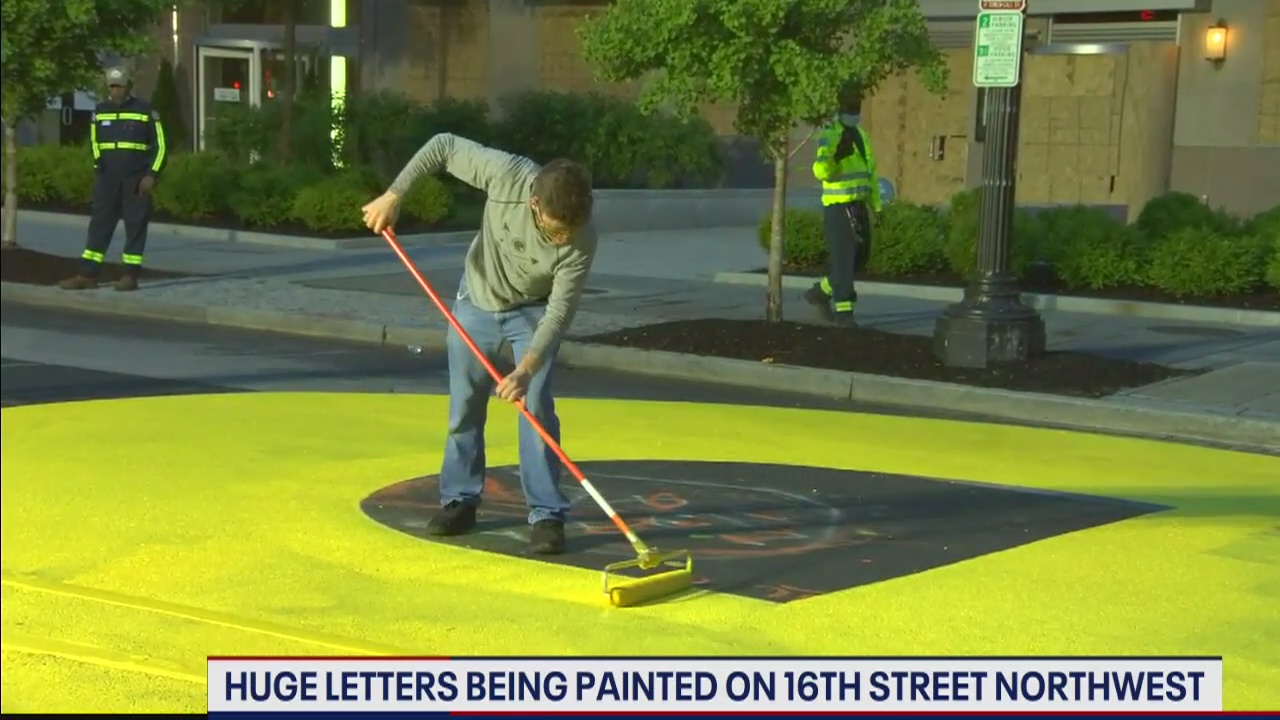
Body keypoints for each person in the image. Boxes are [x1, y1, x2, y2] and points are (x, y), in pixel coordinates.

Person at [361, 134, 597, 555]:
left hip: (535, 311)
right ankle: (460, 500)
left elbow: (560, 312)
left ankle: (546, 514)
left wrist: (525, 369)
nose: (563, 240)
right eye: (555, 231)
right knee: (465, 404)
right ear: (534, 204)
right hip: (478, 299)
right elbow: (442, 145)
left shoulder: (582, 237)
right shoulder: (507, 175)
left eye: (570, 232)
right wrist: (394, 195)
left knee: (536, 406)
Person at [60, 66, 168, 292]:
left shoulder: (145, 111)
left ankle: (130, 275)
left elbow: (161, 147)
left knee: (135, 225)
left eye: (120, 85)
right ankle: (87, 275)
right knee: (99, 225)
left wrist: (151, 175)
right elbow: (94, 142)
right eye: (112, 86)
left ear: (128, 85)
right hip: (107, 179)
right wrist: (99, 167)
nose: (116, 89)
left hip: (136, 181)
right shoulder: (100, 111)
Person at [804, 93, 882, 327]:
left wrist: (876, 206)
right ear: (840, 109)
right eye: (850, 108)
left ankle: (821, 292)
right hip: (838, 207)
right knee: (845, 260)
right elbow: (820, 171)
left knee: (860, 258)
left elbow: (870, 174)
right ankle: (844, 314)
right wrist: (836, 157)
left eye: (856, 108)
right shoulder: (830, 135)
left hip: (858, 205)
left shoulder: (861, 135)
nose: (854, 113)